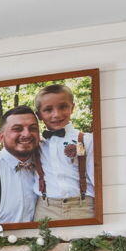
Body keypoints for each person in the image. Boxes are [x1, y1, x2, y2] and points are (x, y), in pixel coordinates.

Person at [33, 83, 94, 222]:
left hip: (82, 206)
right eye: (48, 109)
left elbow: (96, 178)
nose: (56, 114)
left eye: (63, 107)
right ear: (39, 115)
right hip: (46, 208)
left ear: (72, 107)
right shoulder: (37, 144)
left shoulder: (86, 140)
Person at [0, 104, 43, 224]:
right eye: (17, 129)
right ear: (1, 137)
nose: (27, 134)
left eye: (33, 128)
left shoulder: (47, 162)